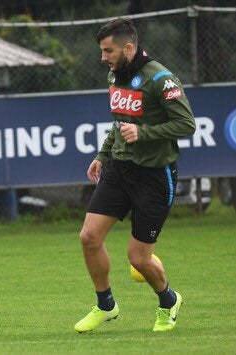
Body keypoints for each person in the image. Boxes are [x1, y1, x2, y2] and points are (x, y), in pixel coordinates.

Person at [74, 18, 196, 333]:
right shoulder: (115, 75)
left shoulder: (161, 78)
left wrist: (144, 133)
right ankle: (105, 305)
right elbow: (120, 122)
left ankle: (169, 301)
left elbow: (186, 125)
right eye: (101, 51)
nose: (103, 57)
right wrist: (102, 155)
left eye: (108, 51)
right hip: (118, 168)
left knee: (139, 260)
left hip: (154, 176)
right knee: (88, 237)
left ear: (129, 47)